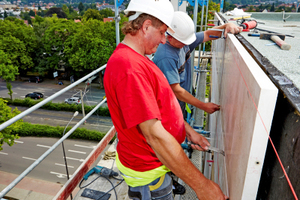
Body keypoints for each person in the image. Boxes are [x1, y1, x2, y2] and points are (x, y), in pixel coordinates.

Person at [104, 0, 228, 199]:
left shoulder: (138, 60)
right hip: (148, 174)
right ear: (146, 27)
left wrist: (188, 131)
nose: (164, 40)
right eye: (162, 32)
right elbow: (154, 135)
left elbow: (159, 109)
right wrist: (202, 186)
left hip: (155, 166)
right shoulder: (129, 69)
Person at [153, 11, 243, 116]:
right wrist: (203, 106)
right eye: (184, 42)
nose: (187, 44)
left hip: (180, 103)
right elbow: (176, 90)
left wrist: (226, 26)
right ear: (170, 37)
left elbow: (207, 34)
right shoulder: (166, 57)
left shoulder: (181, 41)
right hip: (169, 109)